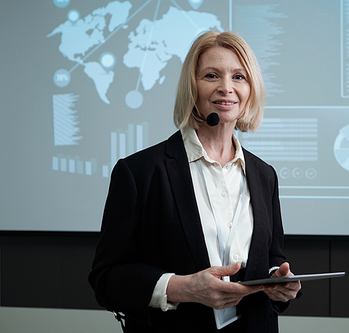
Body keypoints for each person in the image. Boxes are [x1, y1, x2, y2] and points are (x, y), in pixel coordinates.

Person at [88, 30, 301, 333]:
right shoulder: (140, 172)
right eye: (212, 76)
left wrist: (276, 281)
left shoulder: (264, 175)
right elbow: (107, 280)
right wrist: (182, 287)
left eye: (239, 77)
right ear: (192, 87)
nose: (226, 88)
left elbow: (271, 257)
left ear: (251, 89)